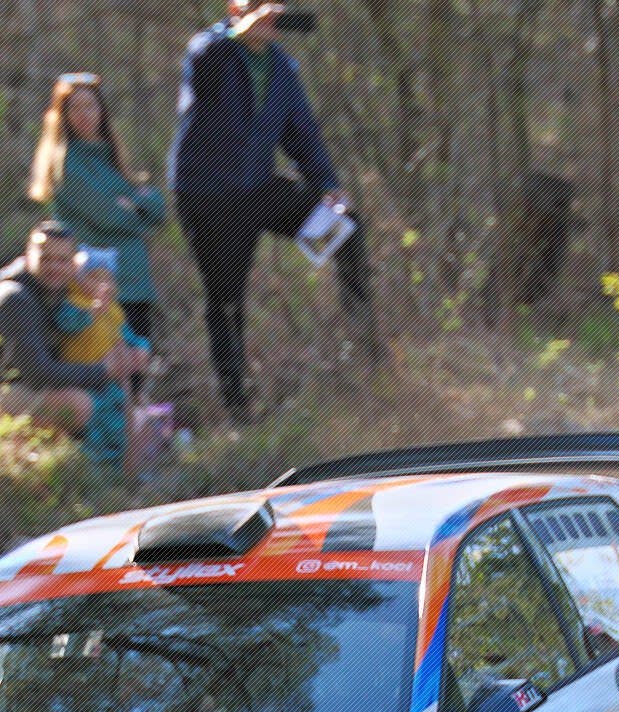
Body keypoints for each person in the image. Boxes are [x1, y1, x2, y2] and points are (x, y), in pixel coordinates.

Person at [168, 0, 376, 416]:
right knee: (227, 297)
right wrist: (238, 30)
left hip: (257, 189)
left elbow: (301, 132)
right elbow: (202, 70)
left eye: (270, 8)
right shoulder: (209, 50)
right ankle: (238, 406)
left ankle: (365, 348)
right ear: (234, 10)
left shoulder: (281, 67)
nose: (266, 17)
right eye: (255, 8)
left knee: (345, 228)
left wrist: (328, 185)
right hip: (209, 196)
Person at [0, 221, 147, 435]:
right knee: (76, 405)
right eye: (46, 259)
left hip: (14, 391)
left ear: (73, 265)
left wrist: (132, 353)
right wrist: (103, 371)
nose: (54, 267)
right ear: (28, 257)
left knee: (128, 412)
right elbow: (39, 374)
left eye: (62, 260)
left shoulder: (59, 298)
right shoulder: (15, 297)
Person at [30, 73, 167, 344]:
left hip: (135, 284)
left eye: (90, 106)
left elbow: (158, 209)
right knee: (105, 365)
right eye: (75, 108)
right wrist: (134, 205)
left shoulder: (112, 158)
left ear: (101, 111)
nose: (84, 114)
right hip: (93, 290)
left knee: (138, 360)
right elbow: (109, 215)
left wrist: (134, 203)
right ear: (63, 115)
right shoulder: (67, 165)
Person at [55, 247, 153, 466]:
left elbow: (127, 336)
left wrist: (141, 348)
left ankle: (117, 472)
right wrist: (92, 312)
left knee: (117, 429)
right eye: (94, 278)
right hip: (84, 381)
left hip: (112, 385)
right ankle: (93, 473)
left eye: (107, 279)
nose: (102, 285)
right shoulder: (71, 304)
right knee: (92, 433)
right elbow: (66, 325)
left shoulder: (114, 311)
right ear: (78, 278)